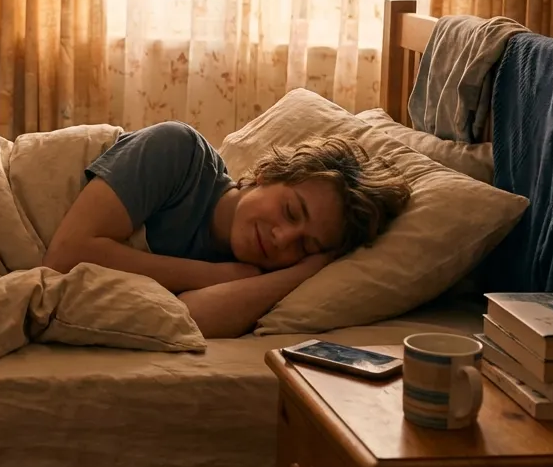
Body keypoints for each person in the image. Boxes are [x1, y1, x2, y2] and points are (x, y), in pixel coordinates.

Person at [44, 121, 410, 339]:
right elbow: (65, 257)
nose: (283, 238)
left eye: (306, 244)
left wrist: (306, 270)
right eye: (290, 211)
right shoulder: (179, 152)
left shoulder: (257, 273)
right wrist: (217, 274)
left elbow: (189, 319)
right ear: (269, 174)